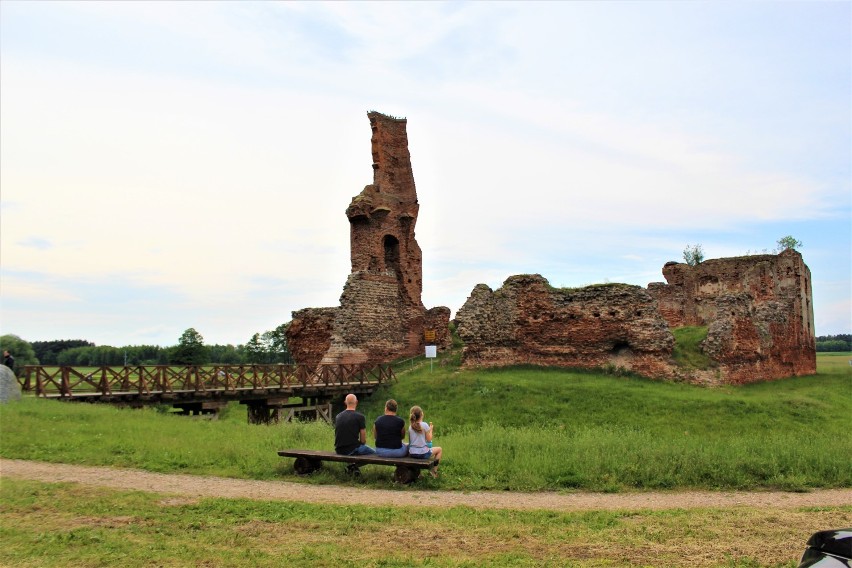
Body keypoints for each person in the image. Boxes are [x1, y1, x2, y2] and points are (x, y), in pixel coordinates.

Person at [407, 405, 443, 477]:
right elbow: (429, 440)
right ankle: (433, 472)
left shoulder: (410, 427)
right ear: (421, 414)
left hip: (412, 453)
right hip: (423, 454)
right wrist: (431, 430)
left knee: (420, 452)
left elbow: (411, 442)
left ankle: (418, 474)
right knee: (439, 449)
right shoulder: (425, 425)